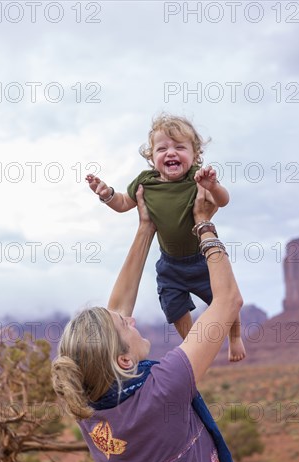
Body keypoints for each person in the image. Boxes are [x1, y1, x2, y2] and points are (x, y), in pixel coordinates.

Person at [52, 185, 246, 462]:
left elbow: (118, 309)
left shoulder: (88, 404)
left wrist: (145, 228)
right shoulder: (163, 388)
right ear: (123, 360)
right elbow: (228, 301)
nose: (134, 319)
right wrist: (204, 225)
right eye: (126, 326)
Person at [86, 114, 246, 362]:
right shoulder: (145, 182)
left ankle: (235, 338)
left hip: (200, 260)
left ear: (195, 155)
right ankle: (194, 345)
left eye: (180, 147)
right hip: (170, 264)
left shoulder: (197, 178)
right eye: (162, 148)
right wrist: (106, 194)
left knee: (224, 299)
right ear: (152, 158)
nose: (171, 152)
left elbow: (223, 201)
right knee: (173, 307)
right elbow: (122, 204)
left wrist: (212, 186)